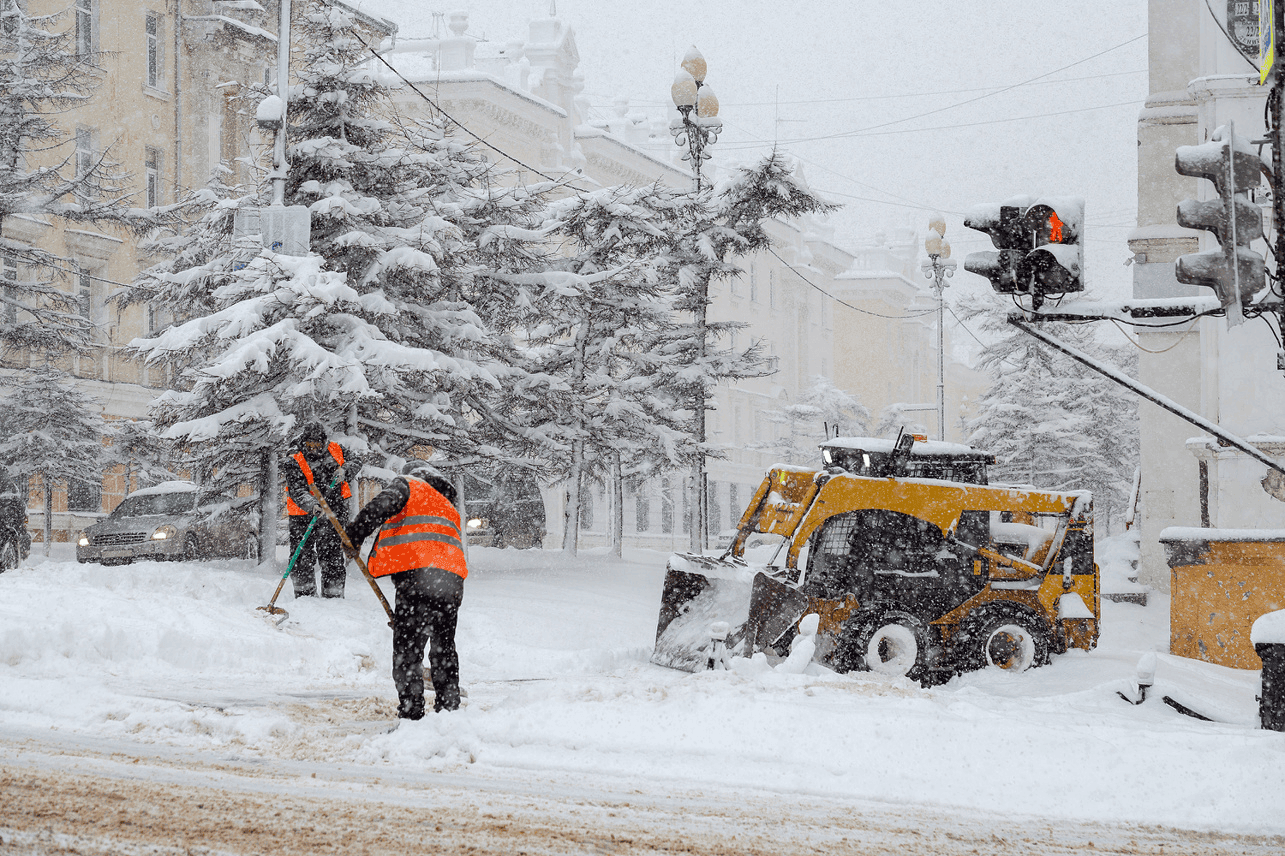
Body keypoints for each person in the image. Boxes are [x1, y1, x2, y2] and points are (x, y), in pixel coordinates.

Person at [346, 461, 466, 719]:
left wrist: (354, 536)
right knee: (443, 649)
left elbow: (379, 507)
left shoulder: (409, 485)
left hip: (418, 578)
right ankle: (449, 712)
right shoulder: (446, 503)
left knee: (408, 651)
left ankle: (411, 715)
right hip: (451, 582)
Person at [282, 421, 359, 598]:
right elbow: (296, 489)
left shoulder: (336, 449)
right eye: (310, 442)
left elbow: (356, 460)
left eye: (317, 442)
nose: (314, 446)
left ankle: (334, 595)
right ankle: (304, 596)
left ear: (323, 440)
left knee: (332, 553)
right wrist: (311, 504)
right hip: (303, 514)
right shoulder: (294, 457)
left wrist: (345, 470)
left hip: (334, 510)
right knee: (302, 556)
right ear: (304, 440)